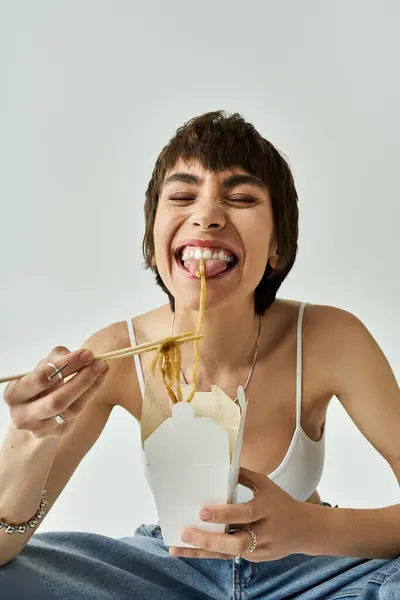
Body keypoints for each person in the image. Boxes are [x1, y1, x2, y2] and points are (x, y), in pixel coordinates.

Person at [0, 110, 399, 599]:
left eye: (241, 198)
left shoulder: (330, 338)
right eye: (183, 196)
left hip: (315, 572)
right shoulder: (117, 353)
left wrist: (306, 527)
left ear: (277, 245)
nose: (207, 215)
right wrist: (29, 436)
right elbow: (2, 547)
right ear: (153, 244)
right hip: (167, 573)